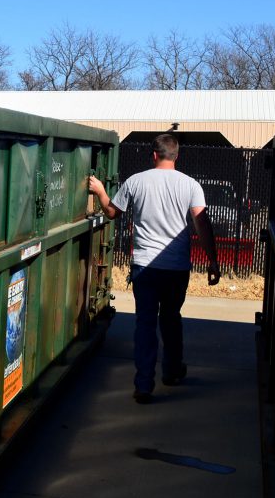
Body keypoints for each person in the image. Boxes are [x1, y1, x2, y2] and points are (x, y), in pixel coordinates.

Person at [88, 134, 220, 404]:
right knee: (171, 318)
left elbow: (112, 213)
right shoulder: (191, 185)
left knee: (145, 323)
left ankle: (144, 384)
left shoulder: (136, 181)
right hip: (176, 268)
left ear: (154, 155)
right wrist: (213, 260)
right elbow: (202, 224)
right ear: (176, 156)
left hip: (145, 267)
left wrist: (101, 190)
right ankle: (171, 371)